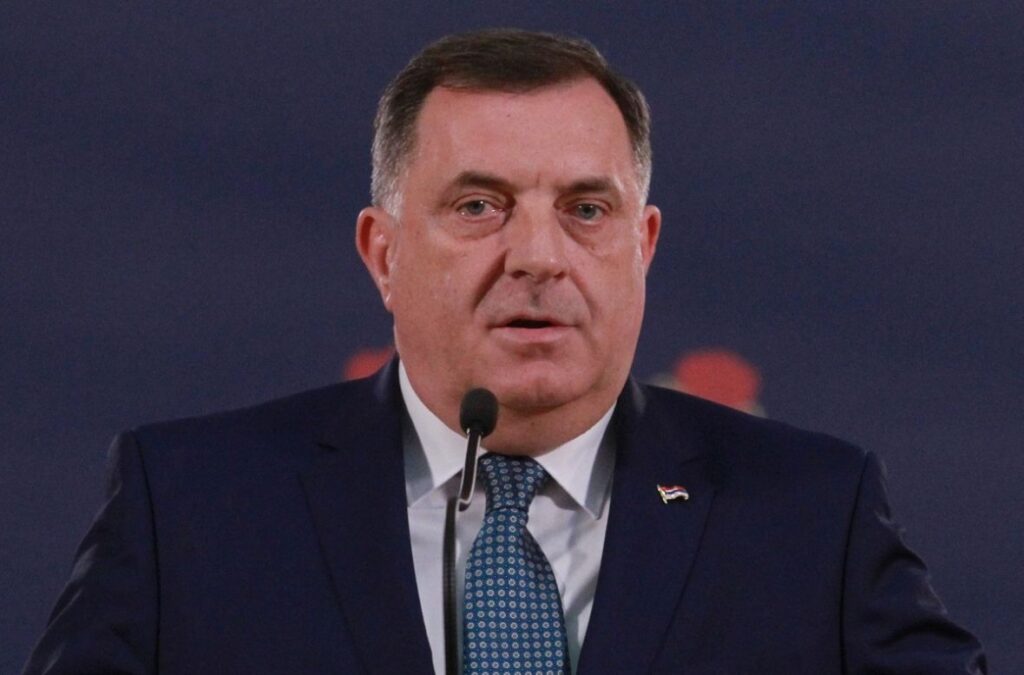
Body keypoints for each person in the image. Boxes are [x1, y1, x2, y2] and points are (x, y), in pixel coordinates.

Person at [24, 29, 985, 674]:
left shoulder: (813, 515)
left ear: (643, 247)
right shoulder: (190, 507)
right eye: (480, 205)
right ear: (384, 254)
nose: (538, 256)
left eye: (586, 209)